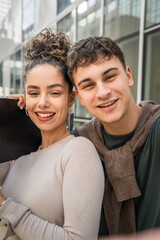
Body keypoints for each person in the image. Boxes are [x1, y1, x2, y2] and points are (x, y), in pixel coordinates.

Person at [0, 29, 105, 240]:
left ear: (71, 98)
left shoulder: (77, 151)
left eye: (55, 92)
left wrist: (5, 205)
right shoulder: (21, 153)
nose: (42, 102)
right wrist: (6, 114)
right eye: (33, 93)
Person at [66, 36, 160, 237]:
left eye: (109, 77)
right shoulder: (79, 144)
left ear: (128, 76)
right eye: (88, 85)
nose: (103, 92)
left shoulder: (157, 128)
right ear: (79, 97)